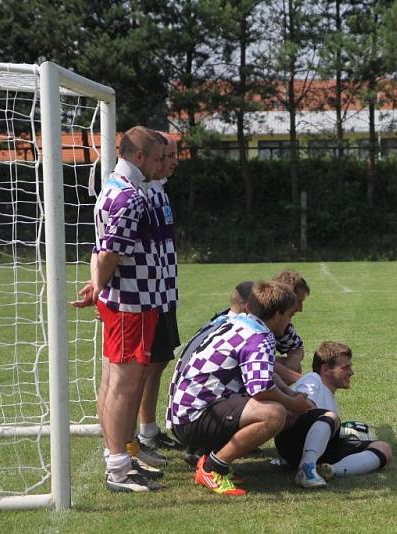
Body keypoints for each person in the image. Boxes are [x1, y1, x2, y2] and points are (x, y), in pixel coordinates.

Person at [73, 125, 166, 492]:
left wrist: (99, 286)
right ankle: (117, 468)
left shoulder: (119, 189)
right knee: (122, 386)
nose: (161, 165)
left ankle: (119, 460)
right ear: (138, 156)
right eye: (157, 158)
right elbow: (110, 251)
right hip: (131, 302)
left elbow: (104, 249)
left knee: (116, 382)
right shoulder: (127, 195)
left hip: (132, 301)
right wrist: (99, 288)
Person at [167, 280, 311, 496]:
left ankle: (207, 457)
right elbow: (261, 389)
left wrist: (291, 394)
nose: (290, 321)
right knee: (274, 413)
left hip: (184, 414)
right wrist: (294, 403)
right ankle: (213, 468)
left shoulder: (241, 322)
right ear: (278, 314)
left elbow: (267, 372)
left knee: (279, 405)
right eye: (290, 315)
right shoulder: (260, 336)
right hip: (193, 419)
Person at [274, 341, 393, 488]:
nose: (351, 372)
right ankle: (306, 470)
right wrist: (332, 421)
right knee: (330, 417)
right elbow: (304, 406)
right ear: (325, 370)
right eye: (345, 368)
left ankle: (330, 470)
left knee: (383, 448)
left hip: (322, 449)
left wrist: (345, 431)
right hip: (292, 441)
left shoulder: (330, 400)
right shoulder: (313, 379)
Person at [166, 280, 254, 467]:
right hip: (195, 415)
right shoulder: (240, 329)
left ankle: (201, 446)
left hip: (180, 412)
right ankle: (207, 451)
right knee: (266, 403)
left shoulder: (218, 321)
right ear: (248, 307)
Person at [137, 132, 182, 455]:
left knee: (160, 361)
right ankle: (138, 436)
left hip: (163, 292)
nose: (173, 161)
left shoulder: (159, 191)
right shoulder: (139, 192)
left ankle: (149, 429)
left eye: (174, 155)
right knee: (142, 366)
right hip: (144, 296)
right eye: (167, 155)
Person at [272, 270, 310, 384]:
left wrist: (291, 365)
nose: (300, 309)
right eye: (298, 301)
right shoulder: (255, 323)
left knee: (294, 367)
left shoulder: (283, 324)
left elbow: (297, 348)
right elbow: (259, 362)